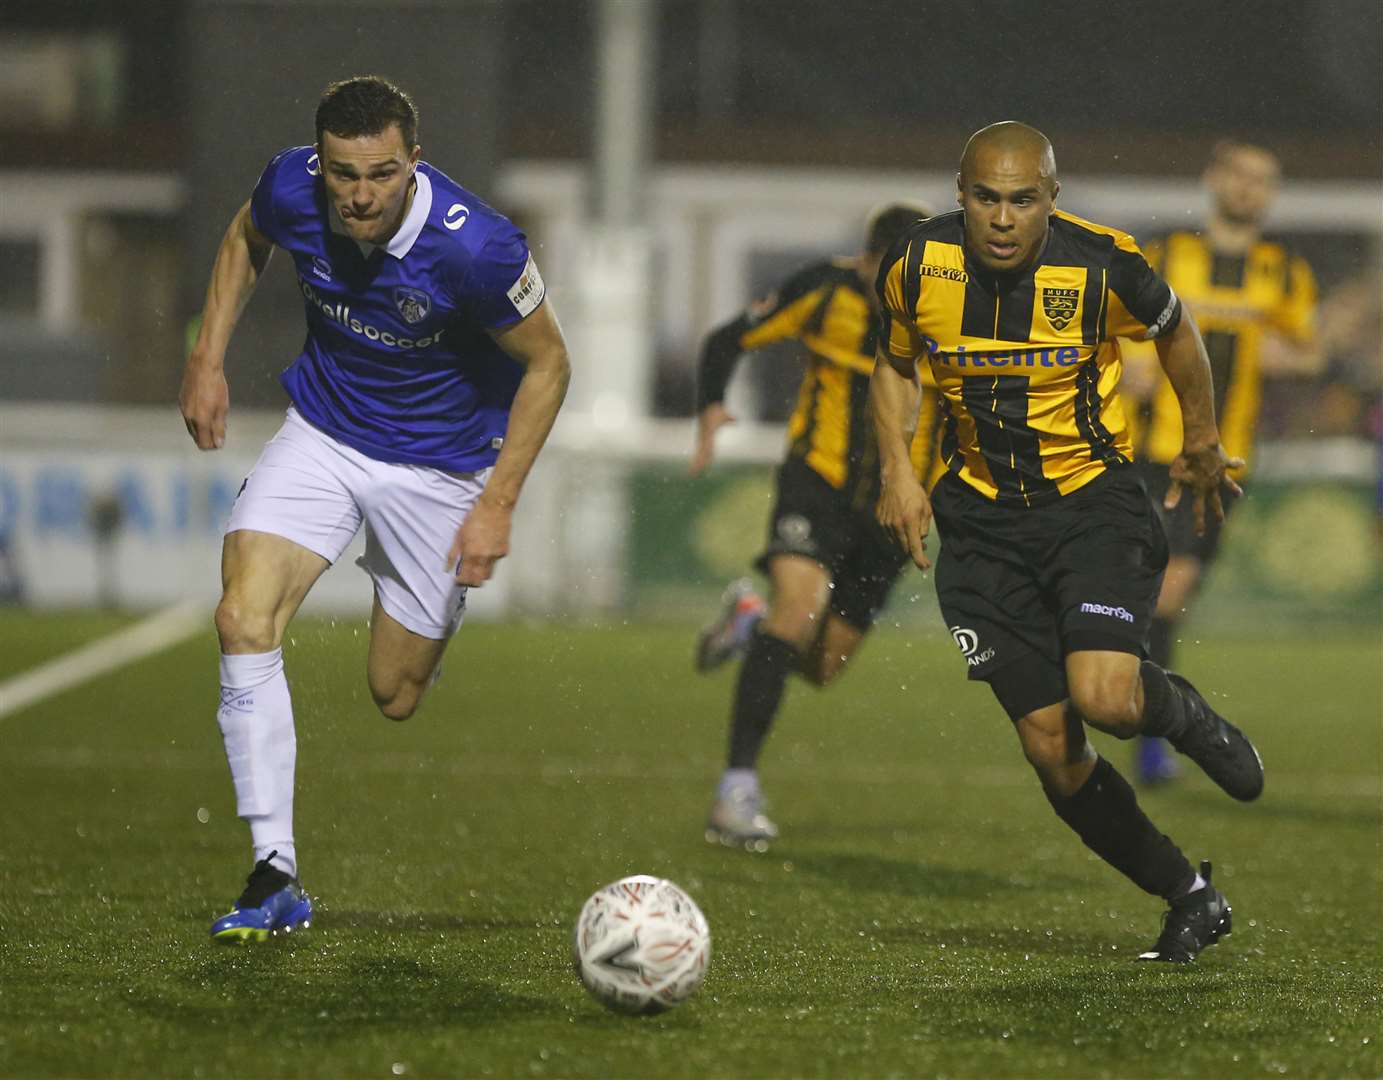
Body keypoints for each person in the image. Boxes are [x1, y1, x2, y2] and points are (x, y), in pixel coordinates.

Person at [178, 76, 571, 942]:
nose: (360, 195)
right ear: (321, 163)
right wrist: (207, 357)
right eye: (344, 174)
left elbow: (550, 366)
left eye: (382, 175)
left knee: (394, 694)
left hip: (441, 470)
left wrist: (496, 504)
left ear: (413, 164)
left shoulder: (478, 250)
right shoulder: (292, 187)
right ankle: (273, 868)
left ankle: (425, 609)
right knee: (242, 618)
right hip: (323, 431)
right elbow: (246, 235)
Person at [871, 121, 1263, 963]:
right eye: (985, 198)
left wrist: (1200, 434)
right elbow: (894, 365)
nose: (1002, 219)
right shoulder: (915, 264)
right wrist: (897, 475)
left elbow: (1177, 331)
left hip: (1091, 507)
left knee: (1107, 699)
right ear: (959, 194)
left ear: (1052, 198)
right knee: (1052, 749)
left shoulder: (1102, 264)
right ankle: (1189, 896)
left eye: (1022, 200)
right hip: (977, 528)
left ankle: (1185, 715)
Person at [689, 202, 941, 850]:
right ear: (863, 264)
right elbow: (726, 339)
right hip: (816, 481)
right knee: (798, 611)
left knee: (822, 666)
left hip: (891, 511)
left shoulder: (951, 314)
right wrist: (713, 405)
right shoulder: (822, 291)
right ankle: (735, 791)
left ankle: (748, 621)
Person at [1123, 141, 1319, 784]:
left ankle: (1138, 715)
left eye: (1262, 180)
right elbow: (1118, 335)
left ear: (1271, 192)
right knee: (1157, 593)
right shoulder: (1166, 256)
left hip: (1224, 462)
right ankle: (1147, 732)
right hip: (1149, 454)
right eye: (1238, 175)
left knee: (1165, 600)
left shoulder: (1283, 272)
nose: (1247, 189)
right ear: (1213, 180)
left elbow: (1309, 352)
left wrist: (1260, 350)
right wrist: (1137, 367)